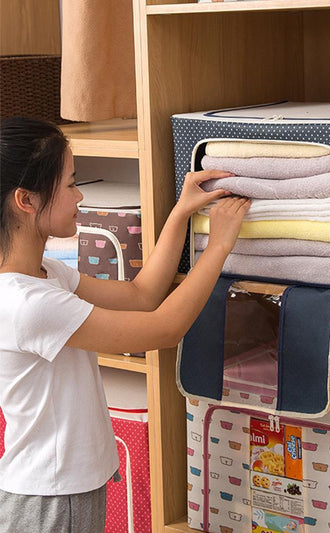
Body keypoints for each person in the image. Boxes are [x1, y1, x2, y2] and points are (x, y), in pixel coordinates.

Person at [0, 116, 250, 533]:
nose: (80, 196)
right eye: (70, 184)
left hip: (58, 490)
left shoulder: (46, 275)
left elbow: (141, 295)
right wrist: (219, 246)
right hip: (51, 500)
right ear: (26, 200)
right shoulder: (29, 304)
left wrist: (181, 212)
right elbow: (165, 328)